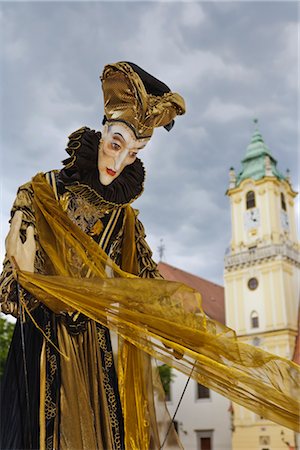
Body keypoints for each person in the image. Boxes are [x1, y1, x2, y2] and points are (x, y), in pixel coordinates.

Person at [0, 61, 185, 450]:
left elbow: (146, 285)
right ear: (102, 131)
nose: (118, 163)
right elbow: (17, 271)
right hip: (42, 339)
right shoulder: (42, 192)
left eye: (133, 154)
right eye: (117, 144)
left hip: (93, 350)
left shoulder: (125, 219)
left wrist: (178, 325)